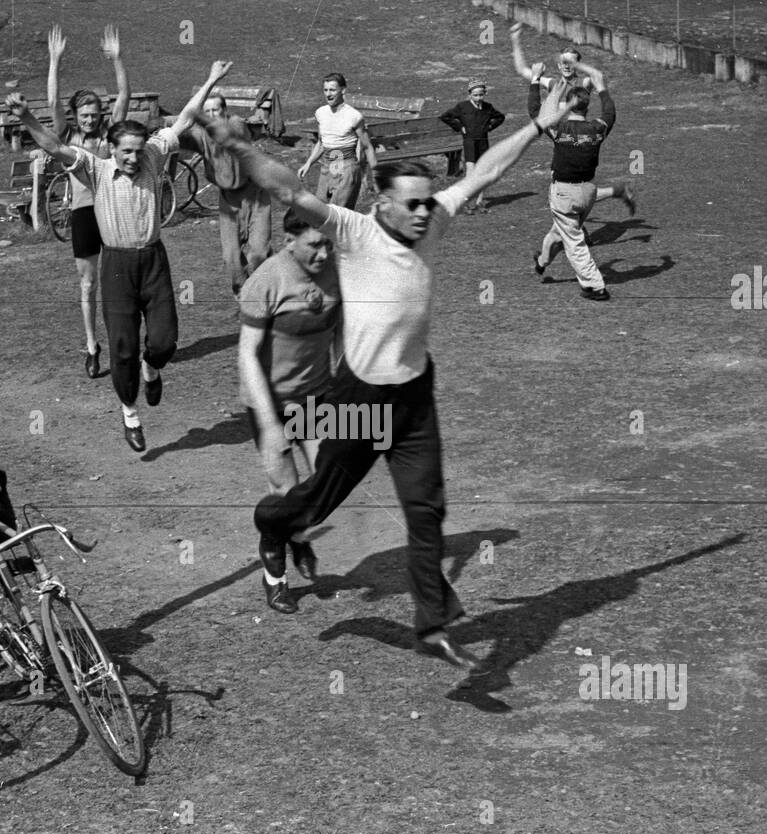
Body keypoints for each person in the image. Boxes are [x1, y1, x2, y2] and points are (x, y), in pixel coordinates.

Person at [195, 84, 576, 669]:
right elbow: (288, 186)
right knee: (315, 502)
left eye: (429, 201)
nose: (427, 211)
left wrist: (540, 127)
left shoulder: (434, 223)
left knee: (426, 509)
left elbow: (486, 173)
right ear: (382, 205)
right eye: (415, 204)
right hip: (360, 398)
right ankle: (273, 530)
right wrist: (239, 148)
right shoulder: (353, 230)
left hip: (415, 395)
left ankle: (432, 624)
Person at [8, 60, 235, 453]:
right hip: (116, 267)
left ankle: (153, 368)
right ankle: (130, 413)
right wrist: (26, 115)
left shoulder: (154, 155)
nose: (133, 158)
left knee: (163, 341)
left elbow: (184, 117)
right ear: (112, 150)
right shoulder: (94, 169)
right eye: (126, 152)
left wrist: (212, 79)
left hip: (152, 261)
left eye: (137, 150)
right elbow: (53, 145)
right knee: (124, 347)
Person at [237, 209, 340, 611]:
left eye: (328, 243)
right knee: (285, 489)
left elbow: (341, 335)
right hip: (270, 402)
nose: (323, 253)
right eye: (315, 245)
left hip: (316, 397)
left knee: (327, 484)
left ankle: (296, 535)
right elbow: (246, 355)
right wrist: (269, 421)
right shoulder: (266, 280)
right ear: (289, 242)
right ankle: (275, 573)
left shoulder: (336, 272)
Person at [44, 24, 132, 380]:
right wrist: (54, 61)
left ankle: (122, 342)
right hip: (83, 213)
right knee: (88, 283)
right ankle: (92, 347)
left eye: (95, 114)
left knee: (120, 280)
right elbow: (51, 103)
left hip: (112, 211)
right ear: (77, 117)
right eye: (85, 115)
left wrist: (117, 59)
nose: (91, 119)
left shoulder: (111, 134)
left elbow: (124, 95)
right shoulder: (69, 136)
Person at [512, 24, 636, 216]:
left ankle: (578, 222)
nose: (566, 66)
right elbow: (523, 70)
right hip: (560, 133)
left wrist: (578, 66)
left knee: (564, 185)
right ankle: (615, 192)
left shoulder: (583, 83)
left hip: (576, 134)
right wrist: (515, 40)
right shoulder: (553, 84)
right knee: (572, 186)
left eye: (571, 62)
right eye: (563, 62)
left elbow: (596, 76)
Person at [528, 60, 625, 301]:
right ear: (586, 107)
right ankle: (542, 262)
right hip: (588, 193)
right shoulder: (598, 129)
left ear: (569, 105)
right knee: (560, 234)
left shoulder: (559, 129)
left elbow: (534, 114)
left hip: (564, 194)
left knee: (574, 242)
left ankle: (595, 286)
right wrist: (602, 87)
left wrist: (534, 80)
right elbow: (610, 112)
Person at [181, 94, 273, 296]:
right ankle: (242, 291)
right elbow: (179, 138)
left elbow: (236, 130)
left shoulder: (236, 123)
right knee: (230, 257)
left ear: (225, 111)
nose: (212, 115)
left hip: (255, 194)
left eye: (216, 110)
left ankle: (259, 290)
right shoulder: (201, 135)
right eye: (208, 111)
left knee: (259, 253)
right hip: (228, 199)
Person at [297, 73, 378, 209]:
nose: (328, 94)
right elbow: (322, 143)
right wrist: (308, 164)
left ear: (343, 90)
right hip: (327, 167)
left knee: (339, 215)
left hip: (346, 168)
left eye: (333, 90)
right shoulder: (320, 113)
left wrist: (376, 174)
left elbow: (367, 146)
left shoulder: (353, 116)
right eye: (325, 90)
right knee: (320, 212)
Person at [438, 80, 506, 213]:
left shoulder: (488, 107)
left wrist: (490, 126)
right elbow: (445, 117)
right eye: (475, 95)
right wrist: (459, 127)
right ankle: (467, 203)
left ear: (484, 94)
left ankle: (480, 202)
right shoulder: (462, 107)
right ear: (469, 94)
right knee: (470, 173)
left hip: (483, 142)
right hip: (469, 142)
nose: (478, 98)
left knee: (483, 172)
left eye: (481, 95)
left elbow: (500, 117)